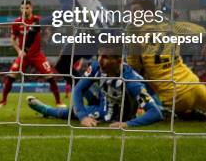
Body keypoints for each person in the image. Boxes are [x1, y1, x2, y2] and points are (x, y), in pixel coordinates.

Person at [28, 0, 110, 95]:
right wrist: (89, 3)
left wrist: (38, 24)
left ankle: (99, 102)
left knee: (106, 69)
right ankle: (93, 100)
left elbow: (68, 11)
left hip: (98, 28)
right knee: (65, 65)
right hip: (97, 22)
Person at [27, 45, 164, 128]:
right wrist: (83, 116)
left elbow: (155, 113)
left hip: (120, 117)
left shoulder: (131, 80)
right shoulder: (97, 67)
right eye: (99, 56)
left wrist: (128, 124)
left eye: (105, 57)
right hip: (102, 109)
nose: (99, 60)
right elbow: (78, 89)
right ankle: (46, 109)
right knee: (72, 112)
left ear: (119, 61)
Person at [0, 0, 62, 108]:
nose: (24, 10)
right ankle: (3, 100)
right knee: (11, 76)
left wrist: (46, 37)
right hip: (24, 56)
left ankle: (58, 102)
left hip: (37, 55)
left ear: (31, 8)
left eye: (26, 8)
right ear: (20, 9)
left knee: (50, 77)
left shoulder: (38, 20)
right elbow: (12, 39)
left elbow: (49, 30)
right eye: (22, 8)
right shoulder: (17, 22)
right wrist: (19, 51)